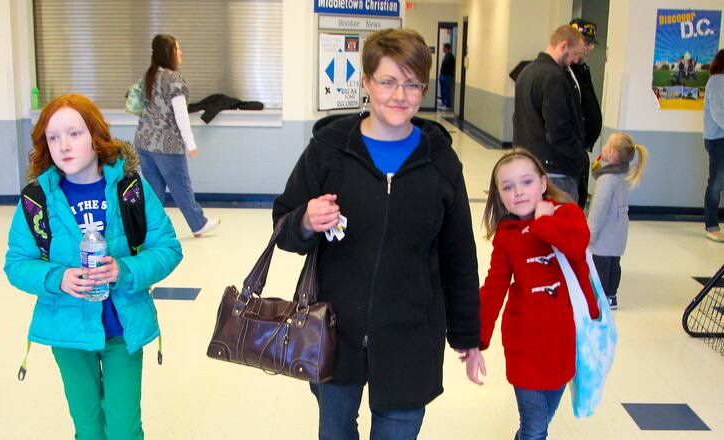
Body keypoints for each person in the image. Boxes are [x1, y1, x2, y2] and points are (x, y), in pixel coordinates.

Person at [272, 28, 482, 439]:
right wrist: (304, 221)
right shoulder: (329, 150)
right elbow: (284, 227)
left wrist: (467, 334)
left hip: (411, 335)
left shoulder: (441, 163)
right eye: (387, 81)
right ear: (366, 83)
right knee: (335, 431)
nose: (399, 95)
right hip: (334, 330)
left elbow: (460, 255)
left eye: (412, 83)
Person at [4, 94, 183, 438]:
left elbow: (168, 249)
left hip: (122, 332)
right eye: (53, 138)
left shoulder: (131, 190)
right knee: (87, 427)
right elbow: (16, 263)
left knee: (124, 427)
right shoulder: (36, 199)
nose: (63, 146)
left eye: (74, 133)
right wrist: (57, 278)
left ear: (96, 136)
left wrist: (125, 270)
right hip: (68, 333)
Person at [474, 148, 600, 440]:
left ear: (543, 183)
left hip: (564, 339)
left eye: (527, 182)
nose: (518, 192)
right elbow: (494, 288)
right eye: (507, 187)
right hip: (524, 344)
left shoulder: (567, 214)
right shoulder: (506, 235)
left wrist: (544, 222)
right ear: (499, 196)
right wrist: (476, 339)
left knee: (543, 419)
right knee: (535, 429)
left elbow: (577, 243)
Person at [134, 34, 220, 237]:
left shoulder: (149, 76)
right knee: (181, 186)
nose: (180, 53)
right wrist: (190, 143)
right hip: (167, 145)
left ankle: (147, 231)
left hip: (144, 142)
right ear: (168, 53)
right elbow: (181, 115)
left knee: (153, 191)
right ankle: (198, 223)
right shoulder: (173, 78)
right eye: (177, 49)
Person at [513, 25, 586, 203]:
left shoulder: (526, 72)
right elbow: (558, 131)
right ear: (563, 46)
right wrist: (580, 157)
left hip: (530, 166)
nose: (576, 61)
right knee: (561, 228)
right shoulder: (554, 77)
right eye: (575, 54)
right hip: (555, 174)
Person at [587, 133, 648, 309]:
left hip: (606, 230)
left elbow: (599, 210)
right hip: (619, 228)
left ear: (612, 153)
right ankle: (611, 296)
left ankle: (600, 297)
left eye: (606, 145)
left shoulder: (606, 180)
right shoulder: (624, 174)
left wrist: (589, 234)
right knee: (614, 263)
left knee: (601, 265)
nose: (603, 147)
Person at [566, 18, 603, 209]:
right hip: (570, 154)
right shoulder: (563, 73)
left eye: (590, 44)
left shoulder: (581, 70)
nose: (588, 48)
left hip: (581, 152)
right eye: (585, 43)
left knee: (579, 203)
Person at [702, 49, 724, 242]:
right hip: (719, 140)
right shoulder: (717, 82)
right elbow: (718, 114)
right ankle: (712, 225)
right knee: (716, 183)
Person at [439, 42, 456, 109]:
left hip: (447, 76)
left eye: (444, 48)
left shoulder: (451, 57)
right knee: (442, 90)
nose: (443, 49)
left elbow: (451, 67)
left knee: (447, 90)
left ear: (447, 48)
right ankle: (443, 102)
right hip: (443, 75)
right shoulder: (445, 56)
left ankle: (447, 104)